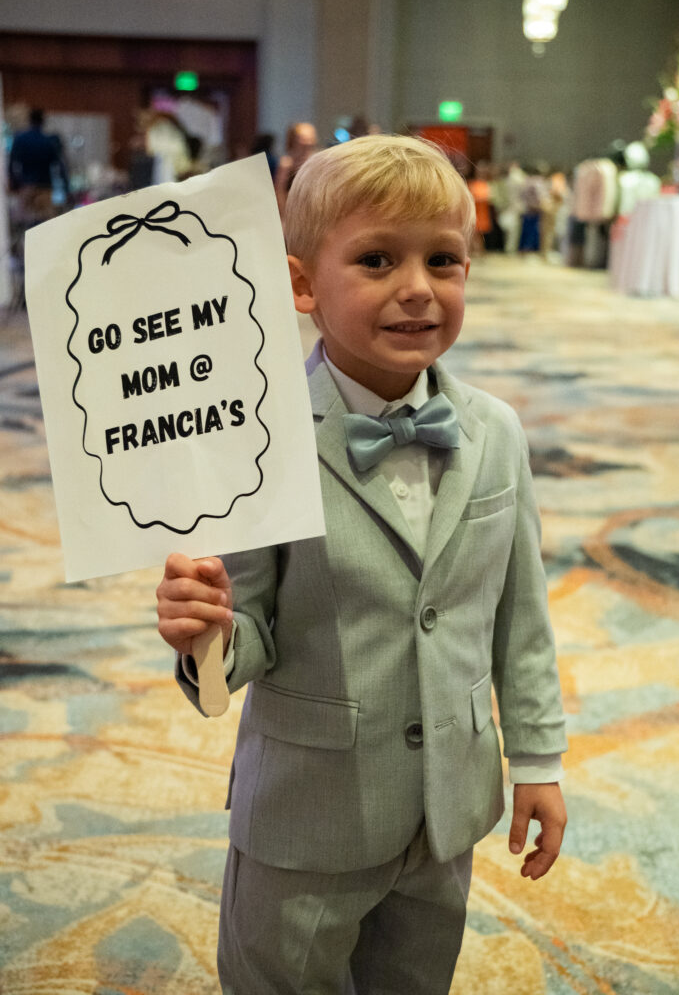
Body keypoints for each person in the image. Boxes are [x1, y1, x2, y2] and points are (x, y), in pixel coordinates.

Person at [157, 134, 567, 994]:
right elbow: (254, 628)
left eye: (444, 261)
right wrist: (209, 630)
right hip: (308, 814)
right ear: (303, 284)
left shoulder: (494, 431)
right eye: (377, 259)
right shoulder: (256, 436)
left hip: (446, 806)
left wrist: (536, 761)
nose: (417, 289)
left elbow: (519, 617)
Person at [8, 108, 70, 222]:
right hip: (45, 186)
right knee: (47, 224)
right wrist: (66, 187)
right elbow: (60, 166)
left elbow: (12, 162)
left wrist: (14, 183)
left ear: (29, 120)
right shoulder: (49, 141)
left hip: (26, 186)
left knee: (26, 224)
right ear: (43, 121)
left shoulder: (20, 139)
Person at [273, 120, 318, 217]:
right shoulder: (286, 163)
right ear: (294, 140)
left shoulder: (316, 162)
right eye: (303, 138)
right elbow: (280, 192)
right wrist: (284, 215)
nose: (307, 142)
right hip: (291, 213)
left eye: (310, 138)